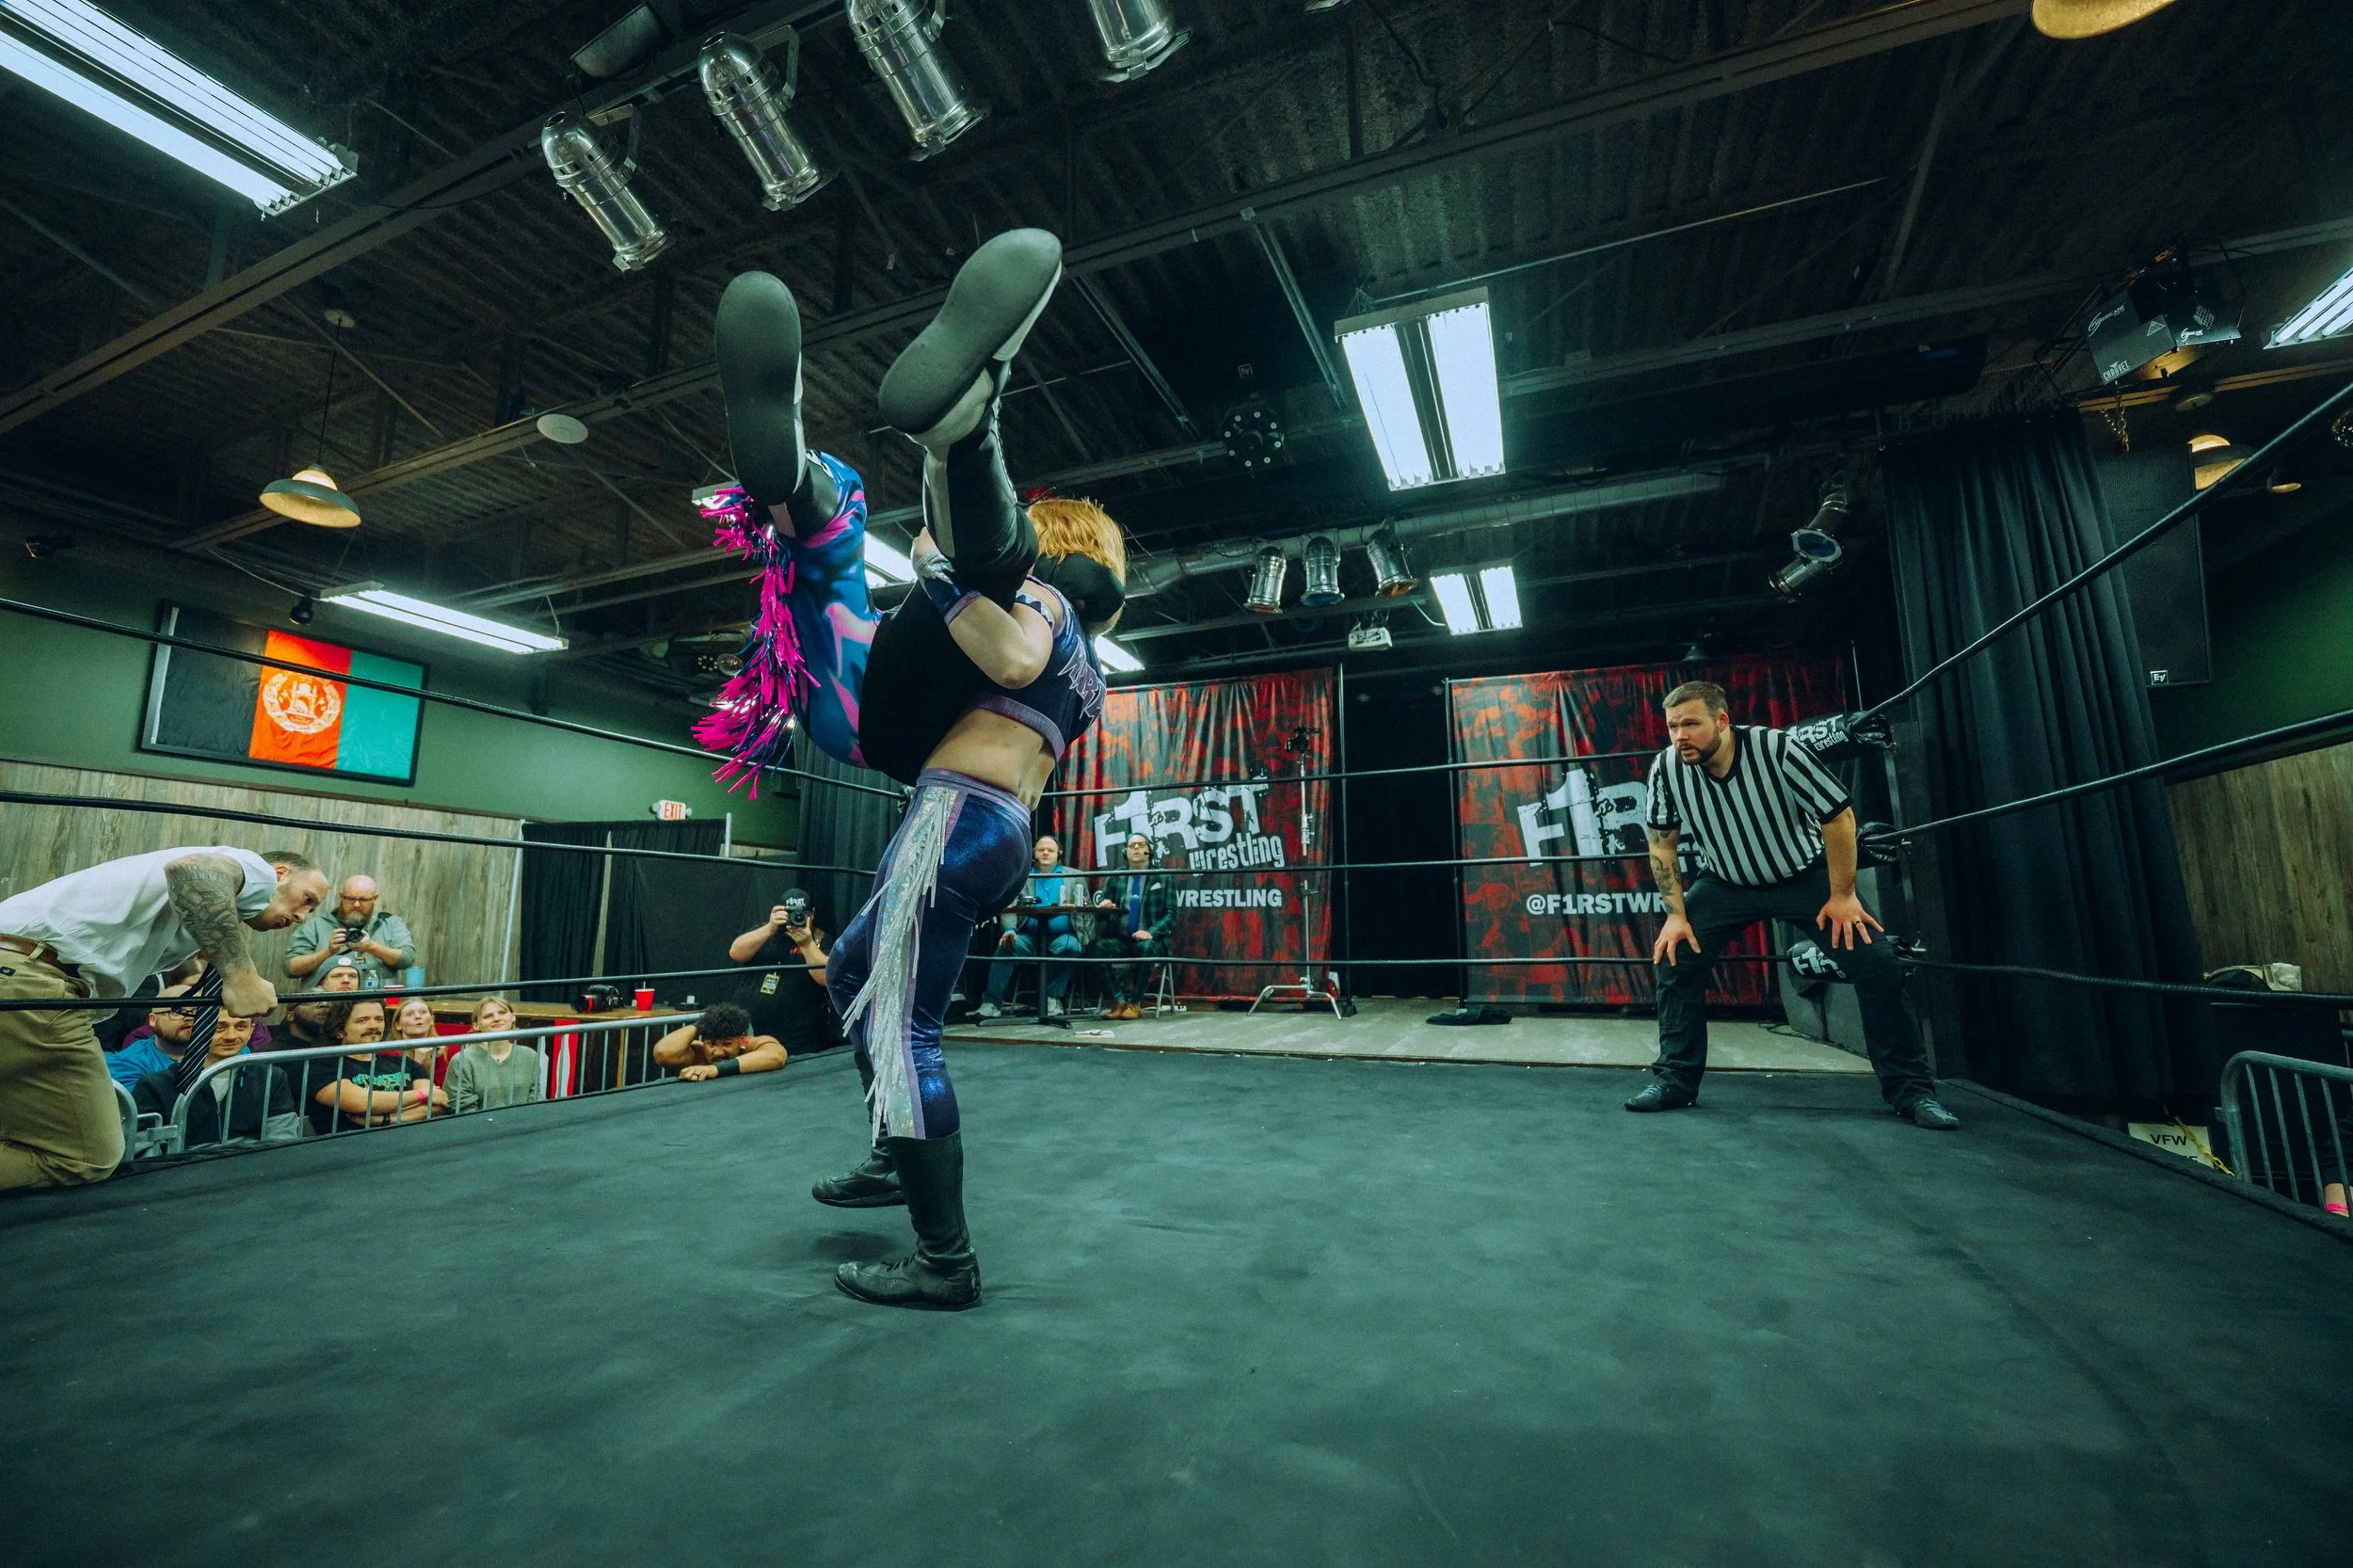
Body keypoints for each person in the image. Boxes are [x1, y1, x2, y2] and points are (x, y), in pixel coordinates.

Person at [701, 228, 1122, 1306]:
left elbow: (1010, 651)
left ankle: (944, 1260)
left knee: (902, 1025)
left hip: (953, 815)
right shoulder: (1094, 673)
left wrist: (937, 576)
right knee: (853, 972)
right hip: (997, 827)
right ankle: (896, 1154)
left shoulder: (1043, 603)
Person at [1632, 680, 1961, 1130]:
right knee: (1674, 956)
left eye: (1690, 724)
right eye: (1672, 726)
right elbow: (1662, 843)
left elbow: (1839, 817)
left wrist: (1842, 896)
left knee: (1877, 963)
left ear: (1722, 721)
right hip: (1725, 881)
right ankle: (1674, 1080)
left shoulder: (1776, 749)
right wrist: (1675, 915)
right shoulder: (1667, 767)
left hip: (1803, 874)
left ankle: (1913, 1092)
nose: (1679, 736)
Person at [0, 845, 326, 1192]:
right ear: (280, 874)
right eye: (307, 900)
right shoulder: (255, 871)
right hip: (31, 980)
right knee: (88, 1155)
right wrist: (240, 975)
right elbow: (191, 870)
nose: (302, 917)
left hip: (22, 975)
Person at [130, 1009, 299, 1147]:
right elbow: (145, 1150)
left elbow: (282, 1141)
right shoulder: (155, 1086)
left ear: (251, 1030)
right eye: (219, 1027)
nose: (231, 1036)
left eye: (241, 1027)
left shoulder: (272, 1078)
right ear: (196, 1029)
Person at [978, 835, 1088, 1019]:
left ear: (1059, 853)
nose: (1045, 853)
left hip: (1062, 937)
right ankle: (992, 1003)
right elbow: (1009, 905)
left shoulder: (1074, 877)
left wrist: (1085, 937)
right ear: (1034, 853)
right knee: (1006, 946)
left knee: (1072, 948)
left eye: (1050, 850)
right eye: (1041, 849)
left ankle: (1051, 997)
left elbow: (1086, 911)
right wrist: (1010, 930)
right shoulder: (1021, 876)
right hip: (1028, 937)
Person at [727, 889, 842, 1058]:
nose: (795, 918)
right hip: (750, 1033)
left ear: (812, 914)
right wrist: (770, 927)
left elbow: (826, 977)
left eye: (801, 914)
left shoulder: (821, 939)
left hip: (797, 1040)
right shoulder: (765, 933)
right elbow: (736, 952)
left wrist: (806, 943)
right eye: (789, 913)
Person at [302, 998, 443, 1133]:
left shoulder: (403, 1062)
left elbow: (436, 1104)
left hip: (410, 1138)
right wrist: (422, 1094)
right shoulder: (324, 1066)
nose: (374, 1026)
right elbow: (363, 1103)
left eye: (379, 1019)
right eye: (362, 1020)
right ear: (338, 1031)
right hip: (351, 1143)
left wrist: (384, 1119)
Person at [1091, 833, 1177, 1019]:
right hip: (1120, 939)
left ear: (1149, 850)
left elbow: (1171, 914)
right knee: (1096, 947)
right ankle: (1117, 1000)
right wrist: (1104, 908)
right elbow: (1101, 916)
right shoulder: (1116, 877)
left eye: (1141, 844)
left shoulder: (1163, 876)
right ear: (1125, 852)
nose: (1136, 848)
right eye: (1132, 846)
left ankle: (1135, 1003)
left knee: (1145, 947)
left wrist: (1150, 932)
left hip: (1150, 941)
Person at [284, 874, 416, 988]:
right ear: (341, 897)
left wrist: (372, 947)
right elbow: (290, 969)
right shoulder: (316, 925)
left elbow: (407, 959)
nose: (356, 905)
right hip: (324, 1005)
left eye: (363, 900)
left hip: (375, 1005)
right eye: (350, 899)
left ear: (374, 899)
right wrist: (327, 952)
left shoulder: (390, 923)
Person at [445, 997, 541, 1114]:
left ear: (513, 1017)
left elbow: (535, 1098)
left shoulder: (530, 1055)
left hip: (524, 1122)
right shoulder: (462, 1060)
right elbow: (461, 1108)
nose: (497, 1019)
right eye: (488, 1016)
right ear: (476, 1025)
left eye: (502, 1012)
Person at [652, 1002, 786, 1082]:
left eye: (727, 1044)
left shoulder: (750, 1046)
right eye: (711, 1044)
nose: (718, 1052)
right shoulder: (697, 1054)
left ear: (742, 1039)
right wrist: (700, 1025)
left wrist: (715, 1069)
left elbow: (777, 1056)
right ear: (703, 1040)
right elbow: (662, 1053)